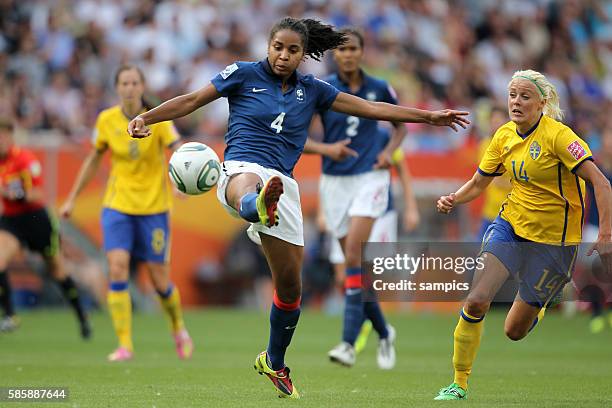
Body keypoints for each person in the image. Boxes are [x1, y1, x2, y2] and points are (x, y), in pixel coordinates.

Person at [128, 17, 469, 399]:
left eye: (293, 50)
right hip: (240, 167)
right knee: (248, 184)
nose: (284, 56)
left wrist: (429, 116)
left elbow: (371, 109)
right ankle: (253, 204)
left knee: (290, 290)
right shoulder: (241, 74)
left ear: (304, 54)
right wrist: (146, 117)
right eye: (278, 47)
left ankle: (274, 361)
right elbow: (191, 101)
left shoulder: (315, 90)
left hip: (283, 186)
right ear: (268, 46)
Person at [434, 70, 611, 400]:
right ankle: (458, 383)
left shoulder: (560, 137)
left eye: (525, 96)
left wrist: (606, 234)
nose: (516, 102)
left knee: (514, 331)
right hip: (510, 226)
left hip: (555, 244)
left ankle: (540, 303)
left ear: (542, 103)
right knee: (476, 300)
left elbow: (600, 183)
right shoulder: (502, 136)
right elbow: (478, 182)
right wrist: (454, 197)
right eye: (513, 95)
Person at [303, 27, 418, 370]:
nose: (348, 54)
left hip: (371, 176)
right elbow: (299, 133)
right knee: (351, 274)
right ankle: (384, 332)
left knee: (354, 256)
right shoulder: (321, 89)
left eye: (354, 48)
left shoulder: (380, 88)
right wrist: (326, 149)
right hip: (334, 182)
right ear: (335, 55)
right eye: (342, 50)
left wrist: (388, 152)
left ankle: (348, 344)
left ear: (362, 52)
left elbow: (401, 125)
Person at [60, 65, 193, 362]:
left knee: (160, 282)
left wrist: (182, 180)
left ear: (142, 86)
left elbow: (177, 147)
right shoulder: (106, 120)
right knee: (117, 267)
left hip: (154, 208)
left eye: (135, 82)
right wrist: (71, 198)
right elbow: (93, 160)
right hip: (117, 205)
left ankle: (178, 328)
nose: (130, 87)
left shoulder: (158, 118)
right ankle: (124, 345)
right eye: (124, 83)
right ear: (117, 87)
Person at [0, 118, 91, 338]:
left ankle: (82, 317)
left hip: (36, 220)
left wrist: (12, 194)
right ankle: (11, 315)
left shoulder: (24, 159)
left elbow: (37, 194)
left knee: (57, 270)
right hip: (12, 220)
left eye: (3, 136)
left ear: (11, 137)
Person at [477, 106, 512, 240]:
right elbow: (490, 178)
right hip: (491, 211)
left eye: (498, 121)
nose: (495, 125)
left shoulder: (515, 145)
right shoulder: (485, 145)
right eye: (493, 121)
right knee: (481, 253)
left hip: (511, 213)